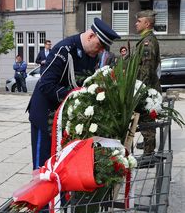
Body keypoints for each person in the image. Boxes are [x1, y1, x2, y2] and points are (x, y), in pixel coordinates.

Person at [28, 17, 120, 170]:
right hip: (45, 114)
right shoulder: (64, 49)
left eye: (104, 48)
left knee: (60, 165)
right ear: (91, 36)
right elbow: (46, 84)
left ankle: (60, 193)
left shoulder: (91, 56)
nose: (101, 50)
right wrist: (76, 96)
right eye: (99, 45)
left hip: (64, 118)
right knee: (42, 167)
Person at [134, 10, 161, 156]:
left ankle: (148, 155)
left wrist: (140, 90)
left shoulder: (147, 42)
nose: (136, 23)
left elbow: (146, 69)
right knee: (145, 120)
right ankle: (147, 144)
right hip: (147, 87)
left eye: (139, 21)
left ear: (147, 23)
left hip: (146, 88)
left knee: (146, 121)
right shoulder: (146, 39)